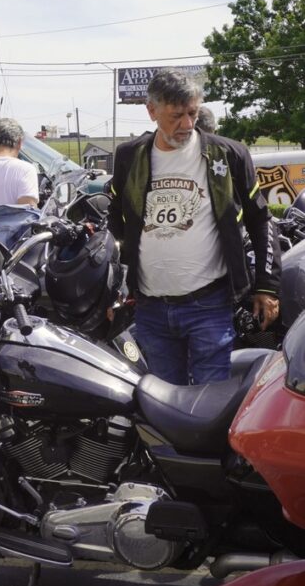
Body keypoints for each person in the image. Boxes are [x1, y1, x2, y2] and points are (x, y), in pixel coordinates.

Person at [107, 68, 280, 385]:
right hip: (150, 309)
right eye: (176, 116)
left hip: (209, 308)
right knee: (164, 402)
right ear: (152, 111)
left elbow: (261, 219)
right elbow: (115, 219)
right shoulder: (129, 157)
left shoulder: (228, 155)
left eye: (192, 113)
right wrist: (115, 285)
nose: (187, 124)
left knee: (207, 403)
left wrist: (266, 286)